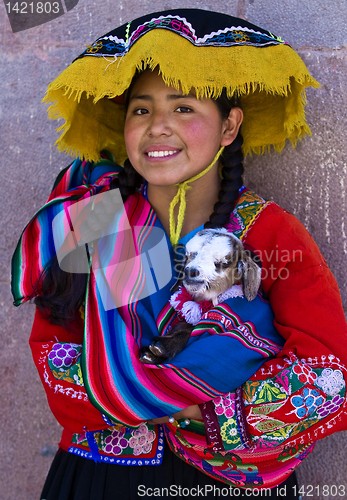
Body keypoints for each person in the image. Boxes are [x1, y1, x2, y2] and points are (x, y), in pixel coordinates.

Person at [11, 9, 347, 500]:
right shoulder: (96, 219)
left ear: (229, 126)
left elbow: (328, 371)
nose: (158, 127)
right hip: (100, 477)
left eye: (183, 108)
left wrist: (201, 413)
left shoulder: (269, 232)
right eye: (141, 110)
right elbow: (54, 350)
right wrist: (165, 395)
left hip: (227, 481)